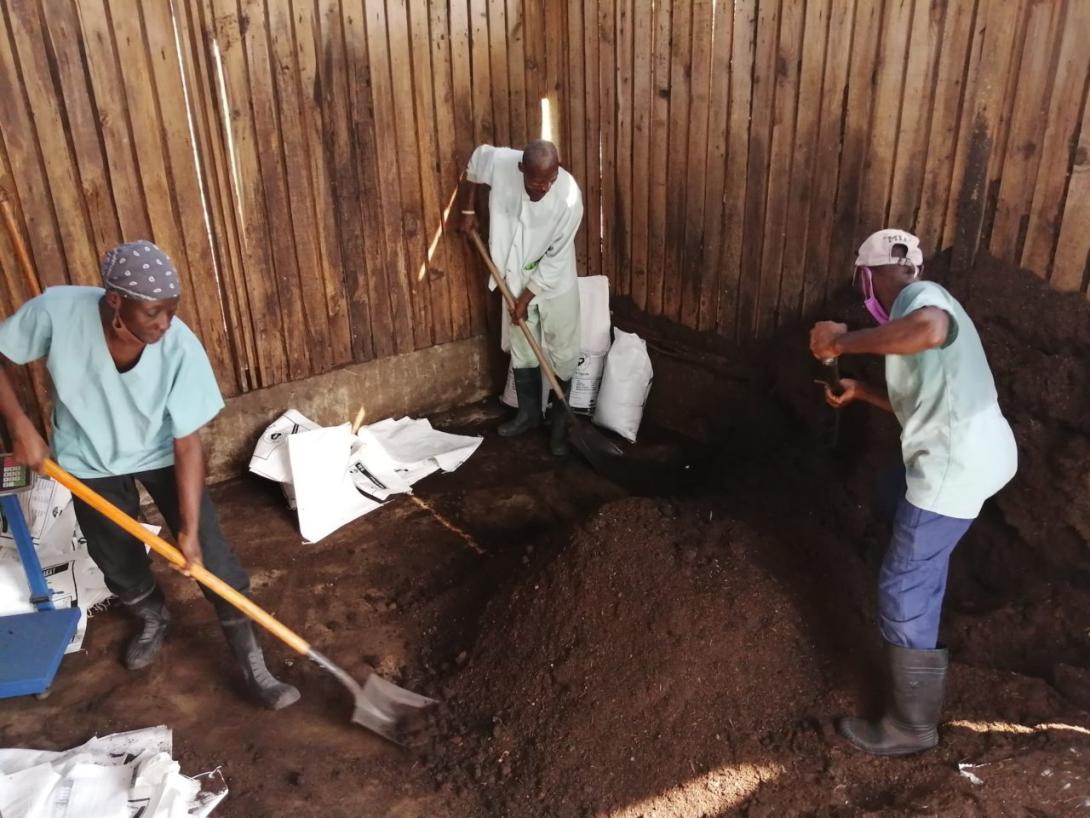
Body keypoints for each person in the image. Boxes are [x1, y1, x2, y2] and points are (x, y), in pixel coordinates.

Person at [0, 240, 299, 710]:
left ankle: (252, 662)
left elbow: (186, 442)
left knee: (213, 559)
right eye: (153, 313)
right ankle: (153, 616)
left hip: (161, 451)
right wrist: (20, 427)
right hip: (87, 457)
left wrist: (190, 530)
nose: (164, 324)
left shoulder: (179, 346)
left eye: (171, 312)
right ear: (115, 299)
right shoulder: (57, 311)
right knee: (114, 556)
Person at [809, 228, 1017, 755]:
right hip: (982, 448)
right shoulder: (916, 308)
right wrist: (862, 391)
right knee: (890, 487)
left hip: (953, 465)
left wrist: (841, 342)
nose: (864, 295)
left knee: (901, 590)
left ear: (869, 276)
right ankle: (924, 561)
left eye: (863, 284)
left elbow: (928, 330)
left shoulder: (919, 302)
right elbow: (924, 399)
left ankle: (909, 727)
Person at [457, 139, 583, 456]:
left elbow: (555, 258)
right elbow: (474, 164)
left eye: (549, 180)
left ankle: (559, 427)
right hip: (512, 273)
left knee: (564, 352)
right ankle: (528, 415)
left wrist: (526, 298)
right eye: (535, 180)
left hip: (554, 283)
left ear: (558, 170)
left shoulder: (568, 198)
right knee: (523, 349)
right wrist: (468, 208)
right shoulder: (501, 162)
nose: (542, 187)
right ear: (520, 168)